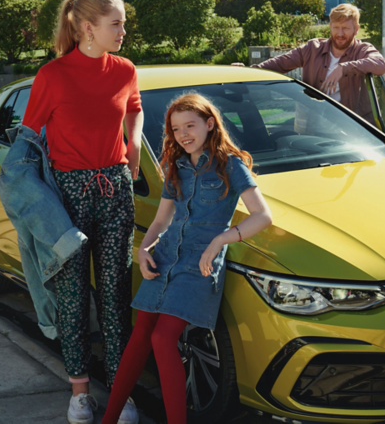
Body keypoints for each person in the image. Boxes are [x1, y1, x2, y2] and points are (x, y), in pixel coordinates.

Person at [102, 93, 273, 424]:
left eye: (190, 125)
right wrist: (144, 249)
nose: (183, 134)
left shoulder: (230, 165)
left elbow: (262, 216)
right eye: (176, 128)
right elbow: (161, 221)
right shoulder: (177, 166)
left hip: (198, 265)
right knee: (140, 335)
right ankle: (109, 419)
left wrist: (222, 238)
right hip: (165, 258)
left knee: (163, 339)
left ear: (210, 124)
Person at [22, 0, 144, 424]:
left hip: (115, 189)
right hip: (66, 196)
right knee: (73, 299)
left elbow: (135, 108)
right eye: (117, 24)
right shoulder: (52, 76)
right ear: (87, 27)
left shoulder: (125, 69)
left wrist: (133, 142)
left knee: (115, 297)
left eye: (124, 23)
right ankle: (78, 393)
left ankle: (120, 392)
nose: (124, 31)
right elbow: (28, 141)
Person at [239, 3, 385, 121]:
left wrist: (343, 68)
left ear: (356, 29)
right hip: (312, 127)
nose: (340, 34)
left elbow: (380, 65)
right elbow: (279, 64)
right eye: (336, 28)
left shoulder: (362, 50)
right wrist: (246, 71)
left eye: (346, 28)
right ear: (330, 26)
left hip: (355, 130)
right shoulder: (312, 48)